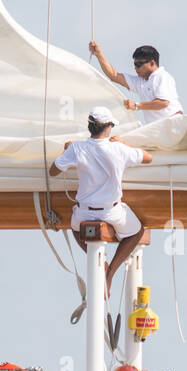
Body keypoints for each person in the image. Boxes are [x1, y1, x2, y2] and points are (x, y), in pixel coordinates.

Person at [50, 106, 154, 294]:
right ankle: (110, 271)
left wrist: (68, 152)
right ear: (108, 127)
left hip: (84, 212)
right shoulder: (119, 149)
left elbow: (53, 171)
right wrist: (125, 144)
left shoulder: (77, 148)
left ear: (90, 127)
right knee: (137, 232)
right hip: (111, 212)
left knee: (75, 229)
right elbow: (149, 158)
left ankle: (103, 265)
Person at [89, 42, 183, 124]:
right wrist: (99, 54)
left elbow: (163, 103)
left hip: (173, 123)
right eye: (134, 64)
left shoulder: (162, 76)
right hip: (158, 128)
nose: (135, 68)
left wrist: (136, 106)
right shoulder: (141, 81)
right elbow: (114, 76)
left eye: (139, 64)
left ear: (152, 63)